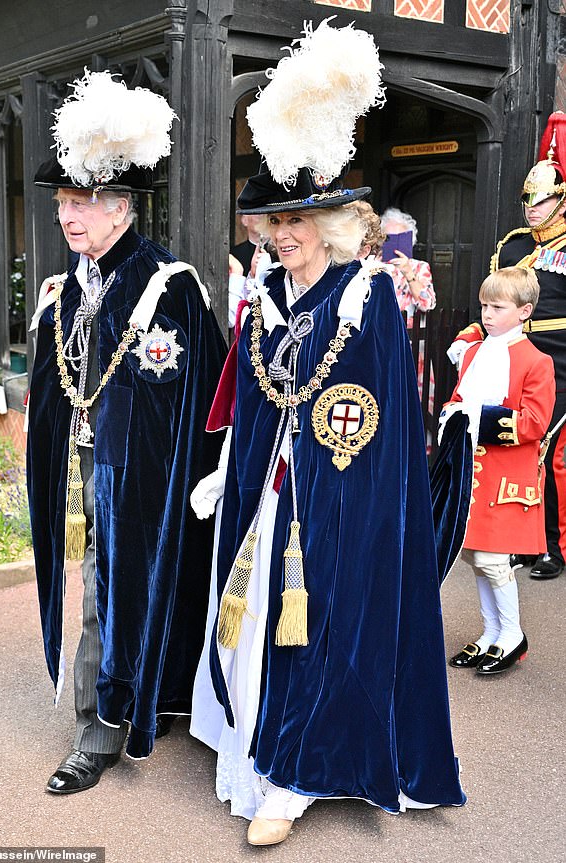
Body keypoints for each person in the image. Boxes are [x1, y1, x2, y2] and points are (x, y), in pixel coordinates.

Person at [189, 20, 465, 847]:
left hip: (336, 503)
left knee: (319, 622)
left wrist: (343, 501)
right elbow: (259, 394)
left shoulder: (366, 296)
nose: (282, 235)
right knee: (264, 619)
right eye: (273, 222)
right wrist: (233, 465)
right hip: (269, 493)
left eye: (298, 221)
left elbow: (370, 416)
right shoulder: (271, 295)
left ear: (338, 220)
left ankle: (299, 773)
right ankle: (264, 747)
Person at [26, 70, 227, 794]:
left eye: (81, 203)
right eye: (62, 203)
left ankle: (104, 720)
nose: (68, 217)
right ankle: (122, 699)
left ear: (120, 209)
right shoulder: (71, 286)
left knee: (123, 586)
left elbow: (192, 396)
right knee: (101, 584)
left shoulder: (166, 285)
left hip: (145, 476)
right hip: (91, 466)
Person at [451, 113, 566, 579]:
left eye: (541, 202)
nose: (531, 210)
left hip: (560, 357)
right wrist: (471, 335)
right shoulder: (515, 246)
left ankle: (554, 547)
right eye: (527, 201)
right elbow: (496, 302)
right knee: (513, 452)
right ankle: (522, 539)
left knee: (551, 452)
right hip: (511, 357)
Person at [439, 267, 554, 674]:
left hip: (507, 475)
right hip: (471, 474)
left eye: (498, 307)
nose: (487, 314)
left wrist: (480, 419)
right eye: (485, 305)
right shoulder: (473, 352)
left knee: (493, 560)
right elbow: (458, 398)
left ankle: (512, 635)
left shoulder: (536, 361)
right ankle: (491, 632)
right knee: (473, 555)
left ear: (524, 311)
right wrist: (454, 414)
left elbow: (535, 423)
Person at [380, 207, 436, 323]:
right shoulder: (372, 264)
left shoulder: (420, 267)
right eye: (389, 238)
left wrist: (408, 273)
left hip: (408, 334)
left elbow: (428, 305)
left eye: (400, 238)